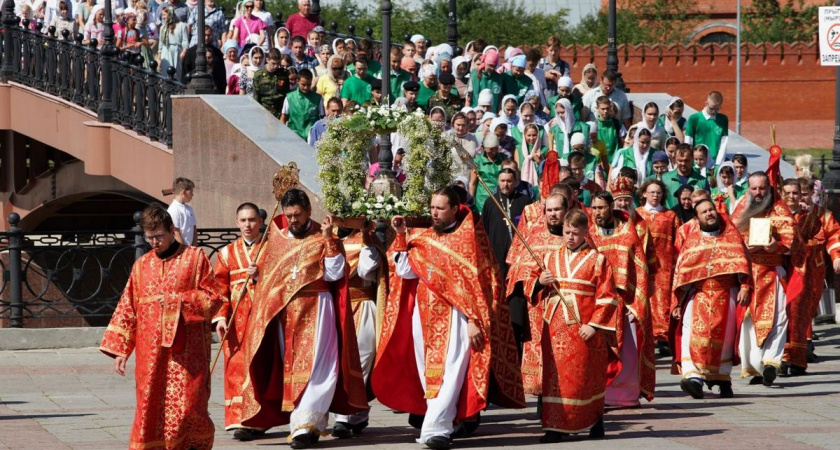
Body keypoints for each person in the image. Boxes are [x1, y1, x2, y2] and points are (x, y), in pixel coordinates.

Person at [373, 187, 525, 449]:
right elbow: (405, 271)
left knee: (451, 373)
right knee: (429, 374)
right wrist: (400, 237)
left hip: (456, 319)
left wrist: (474, 321)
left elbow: (480, 287)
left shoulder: (468, 240)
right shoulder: (425, 238)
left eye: (440, 208)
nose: (434, 212)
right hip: (424, 318)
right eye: (432, 207)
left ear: (455, 209)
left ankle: (437, 429)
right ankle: (442, 423)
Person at [238, 189, 367, 449]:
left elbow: (334, 274)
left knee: (320, 367)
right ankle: (306, 424)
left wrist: (330, 239)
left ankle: (303, 426)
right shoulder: (278, 239)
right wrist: (257, 278)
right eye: (288, 216)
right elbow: (270, 280)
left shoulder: (322, 234)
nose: (292, 221)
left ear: (308, 210)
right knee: (292, 368)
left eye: (297, 215)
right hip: (285, 314)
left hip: (318, 309)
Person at [100, 204, 222, 450]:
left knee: (190, 406)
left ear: (171, 230)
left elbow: (214, 297)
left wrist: (181, 301)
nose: (154, 242)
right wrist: (122, 350)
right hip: (150, 355)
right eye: (149, 238)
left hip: (187, 354)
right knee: (150, 406)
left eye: (159, 236)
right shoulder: (141, 266)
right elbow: (128, 308)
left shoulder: (195, 258)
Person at [532, 208, 617, 443]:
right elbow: (531, 281)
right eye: (567, 232)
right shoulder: (550, 258)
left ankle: (593, 420)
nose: (570, 237)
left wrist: (595, 325)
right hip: (554, 327)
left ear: (585, 232)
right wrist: (539, 282)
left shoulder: (598, 260)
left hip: (584, 328)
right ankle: (554, 426)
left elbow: (608, 297)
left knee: (583, 378)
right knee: (554, 378)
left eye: (575, 233)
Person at [670, 199, 752, 399]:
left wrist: (744, 286)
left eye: (711, 210)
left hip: (727, 295)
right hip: (698, 295)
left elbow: (744, 264)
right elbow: (682, 274)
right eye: (704, 212)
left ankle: (723, 379)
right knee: (691, 336)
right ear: (697, 218)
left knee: (724, 341)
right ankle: (693, 379)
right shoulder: (692, 242)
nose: (709, 214)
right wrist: (678, 303)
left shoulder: (731, 237)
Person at [730, 172, 799, 387]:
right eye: (754, 189)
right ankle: (755, 368)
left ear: (768, 188)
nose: (758, 193)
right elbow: (730, 236)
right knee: (748, 321)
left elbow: (792, 240)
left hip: (772, 270)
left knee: (778, 317)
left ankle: (771, 362)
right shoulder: (742, 206)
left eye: (762, 188)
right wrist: (743, 249)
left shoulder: (780, 208)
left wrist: (776, 246)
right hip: (748, 272)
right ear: (748, 189)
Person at [588, 190, 655, 407]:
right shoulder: (588, 234)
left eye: (601, 207)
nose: (597, 212)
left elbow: (640, 269)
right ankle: (599, 395)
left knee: (628, 351)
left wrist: (636, 302)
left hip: (625, 302)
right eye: (594, 208)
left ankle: (625, 396)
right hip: (597, 303)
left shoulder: (628, 233)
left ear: (611, 207)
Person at [212, 203, 266, 441]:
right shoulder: (226, 254)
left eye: (252, 220)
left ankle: (258, 418)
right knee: (235, 367)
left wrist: (260, 274)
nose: (248, 225)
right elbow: (219, 289)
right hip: (236, 320)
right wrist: (220, 316)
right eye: (243, 220)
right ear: (236, 223)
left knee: (259, 367)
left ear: (261, 222)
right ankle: (238, 418)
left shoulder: (270, 249)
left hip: (263, 318)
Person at [332, 221, 385, 438]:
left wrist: (366, 239)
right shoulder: (328, 238)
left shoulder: (366, 239)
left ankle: (344, 417)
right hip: (335, 307)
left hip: (362, 305)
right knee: (337, 363)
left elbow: (365, 270)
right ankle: (359, 413)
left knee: (360, 361)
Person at [782, 177, 840, 373]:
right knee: (788, 311)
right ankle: (789, 354)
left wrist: (835, 256)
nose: (799, 198)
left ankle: (799, 352)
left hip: (813, 268)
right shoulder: (781, 215)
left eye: (802, 194)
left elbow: (833, 235)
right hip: (789, 270)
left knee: (805, 310)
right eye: (790, 194)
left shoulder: (820, 215)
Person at [636, 179, 680, 355]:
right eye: (652, 192)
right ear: (644, 193)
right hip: (643, 263)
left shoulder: (670, 216)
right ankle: (647, 336)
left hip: (664, 264)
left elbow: (678, 240)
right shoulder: (638, 214)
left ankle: (662, 337)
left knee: (662, 300)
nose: (655, 195)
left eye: (658, 193)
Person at [482, 168, 532, 283]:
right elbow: (484, 229)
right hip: (497, 253)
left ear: (515, 182)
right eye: (502, 181)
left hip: (519, 253)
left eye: (509, 181)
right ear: (498, 181)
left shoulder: (525, 201)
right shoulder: (490, 202)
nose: (505, 184)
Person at [685, 91, 729, 169]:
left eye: (717, 109)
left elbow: (723, 144)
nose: (714, 112)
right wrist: (690, 161)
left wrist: (718, 164)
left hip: (714, 163)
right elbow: (688, 142)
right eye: (712, 108)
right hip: (697, 163)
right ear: (706, 104)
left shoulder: (723, 119)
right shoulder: (694, 118)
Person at [660, 143, 710, 209]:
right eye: (680, 161)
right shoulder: (665, 179)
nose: (683, 164)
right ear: (675, 159)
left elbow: (707, 204)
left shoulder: (702, 181)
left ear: (692, 158)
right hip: (671, 217)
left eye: (686, 160)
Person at [281, 68, 324, 141]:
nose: (306, 87)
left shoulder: (317, 98)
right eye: (303, 84)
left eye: (308, 84)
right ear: (298, 81)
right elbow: (283, 117)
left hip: (311, 137)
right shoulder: (290, 97)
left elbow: (322, 118)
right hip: (294, 136)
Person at [181, 25, 226, 93]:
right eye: (204, 35)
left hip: (213, 90)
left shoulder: (217, 53)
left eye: (209, 35)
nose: (206, 38)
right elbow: (185, 73)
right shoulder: (190, 52)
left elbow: (221, 75)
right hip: (194, 88)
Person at [471, 133, 505, 215]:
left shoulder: (504, 158)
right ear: (484, 148)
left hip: (501, 196)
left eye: (496, 148)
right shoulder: (477, 162)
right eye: (491, 149)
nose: (493, 152)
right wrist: (472, 201)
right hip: (483, 199)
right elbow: (472, 184)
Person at [252, 48, 290, 119]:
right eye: (273, 63)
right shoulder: (258, 76)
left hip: (280, 112)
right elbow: (256, 98)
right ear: (267, 60)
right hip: (265, 112)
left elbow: (287, 94)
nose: (276, 66)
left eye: (278, 63)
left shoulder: (283, 74)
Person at [468, 48, 505, 113]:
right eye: (490, 65)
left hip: (492, 113)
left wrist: (499, 112)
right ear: (484, 62)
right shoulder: (474, 75)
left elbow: (499, 98)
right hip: (476, 113)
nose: (492, 68)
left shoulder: (498, 78)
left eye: (494, 66)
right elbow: (468, 97)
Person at [157, 5, 188, 75]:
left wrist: (183, 52)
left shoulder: (181, 26)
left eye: (164, 15)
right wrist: (159, 56)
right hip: (166, 50)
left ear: (170, 14)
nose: (163, 17)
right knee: (166, 72)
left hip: (177, 51)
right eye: (162, 15)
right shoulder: (163, 28)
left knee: (176, 72)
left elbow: (185, 41)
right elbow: (161, 43)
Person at [167, 177, 197, 246]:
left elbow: (194, 228)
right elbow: (175, 232)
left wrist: (193, 247)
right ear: (183, 192)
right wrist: (183, 250)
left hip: (190, 249)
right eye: (191, 192)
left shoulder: (189, 209)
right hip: (180, 250)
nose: (192, 194)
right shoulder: (173, 209)